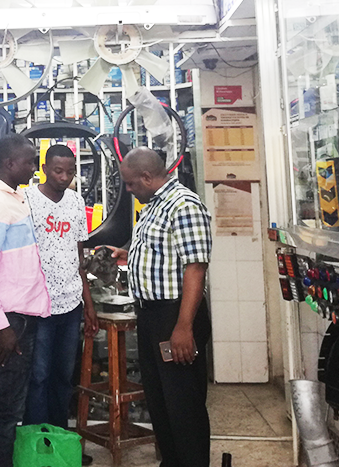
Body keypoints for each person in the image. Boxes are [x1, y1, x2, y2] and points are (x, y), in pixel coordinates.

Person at [108, 147, 213, 467]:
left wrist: (183, 327)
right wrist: (129, 257)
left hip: (175, 316)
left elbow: (196, 267)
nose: (128, 190)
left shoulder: (183, 205)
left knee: (183, 407)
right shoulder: (153, 205)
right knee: (161, 404)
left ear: (147, 177)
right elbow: (165, 256)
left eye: (130, 184)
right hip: (152, 316)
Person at [0, 134, 51, 467]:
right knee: (6, 412)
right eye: (30, 162)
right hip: (12, 321)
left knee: (14, 405)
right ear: (9, 163)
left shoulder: (15, 198)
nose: (34, 169)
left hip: (25, 316)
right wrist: (2, 326)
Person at [23, 144, 99, 432]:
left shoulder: (76, 202)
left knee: (64, 376)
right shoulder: (27, 200)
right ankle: (37, 443)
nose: (64, 177)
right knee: (39, 375)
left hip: (70, 304)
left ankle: (59, 439)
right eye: (58, 170)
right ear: (44, 169)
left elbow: (78, 258)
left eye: (70, 171)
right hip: (38, 304)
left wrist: (88, 305)